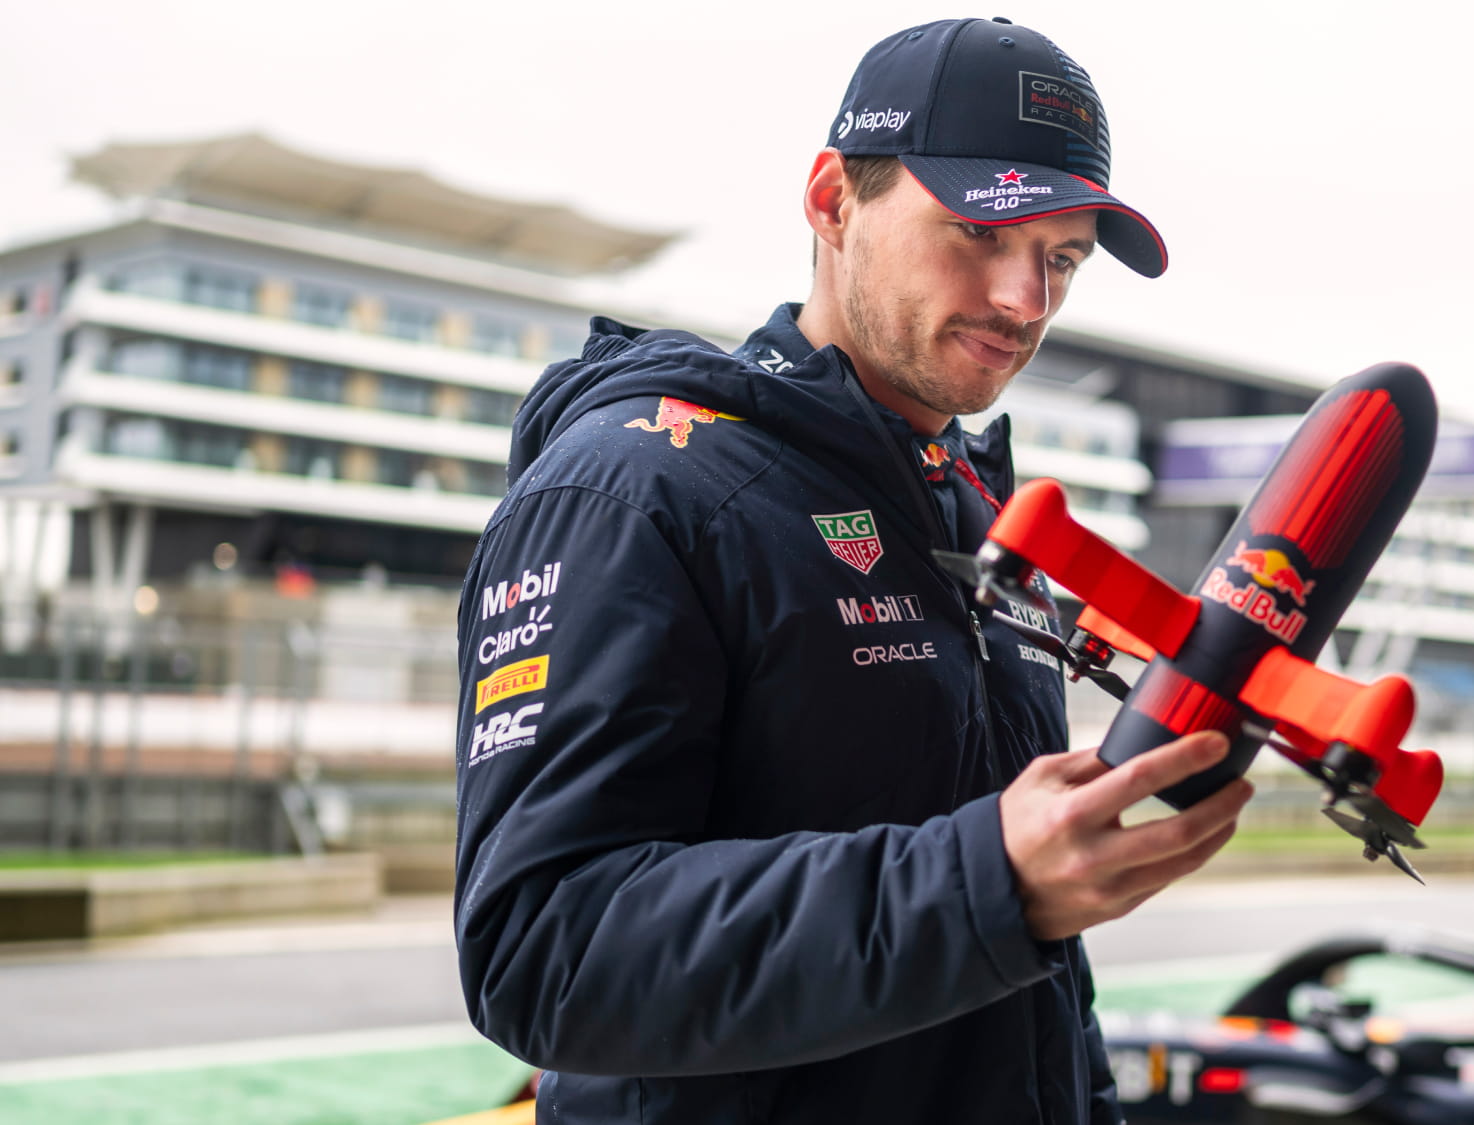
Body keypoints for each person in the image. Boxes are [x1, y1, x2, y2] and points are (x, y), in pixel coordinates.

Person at [452, 17, 1253, 1124]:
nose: (1028, 301)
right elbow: (540, 951)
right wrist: (990, 882)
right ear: (833, 201)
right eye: (980, 230)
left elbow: (1040, 991)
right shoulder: (630, 491)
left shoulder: (979, 517)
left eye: (1061, 257)